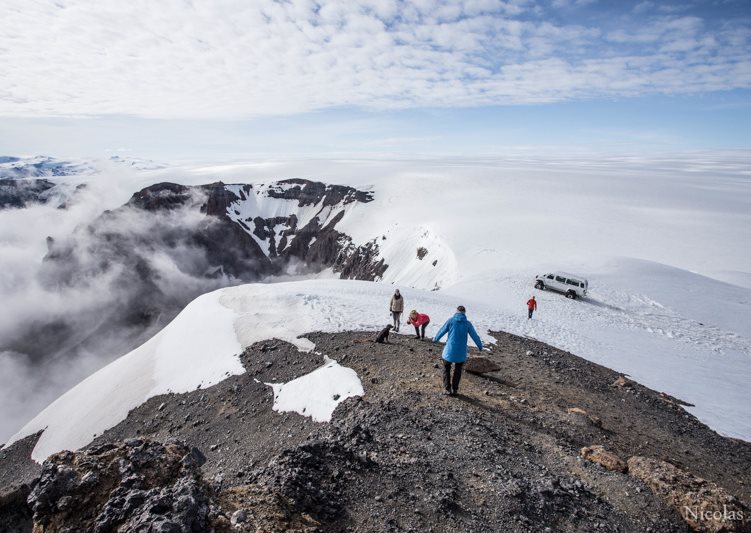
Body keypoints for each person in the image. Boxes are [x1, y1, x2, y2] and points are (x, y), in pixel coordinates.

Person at [433, 305, 483, 396]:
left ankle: (447, 389)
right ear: (464, 313)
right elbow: (475, 336)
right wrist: (480, 346)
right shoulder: (467, 324)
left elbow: (442, 331)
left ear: (456, 312)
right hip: (461, 352)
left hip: (449, 351)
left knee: (446, 368)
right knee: (458, 370)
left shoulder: (450, 321)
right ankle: (455, 389)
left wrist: (435, 339)